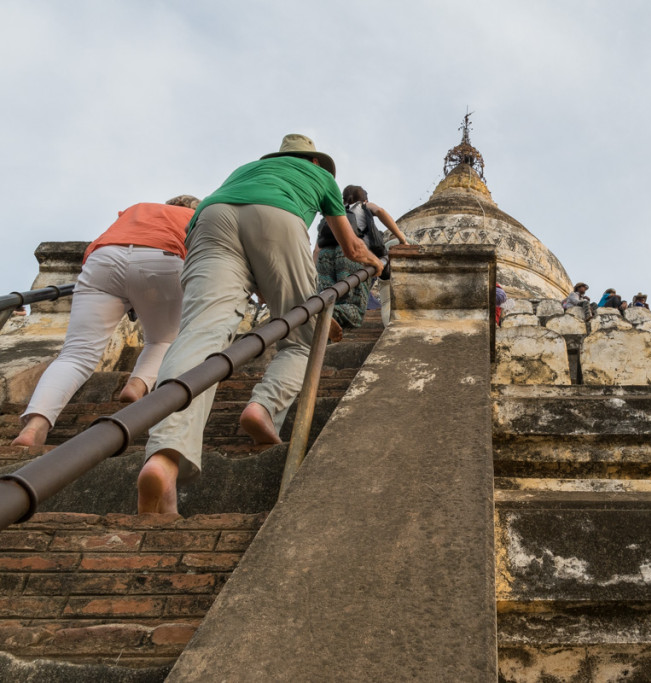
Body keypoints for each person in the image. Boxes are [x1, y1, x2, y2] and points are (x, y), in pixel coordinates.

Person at [137, 134, 382, 515]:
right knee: (304, 337)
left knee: (199, 336)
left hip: (210, 219)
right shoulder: (321, 177)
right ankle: (263, 408)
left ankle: (164, 457)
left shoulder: (246, 169)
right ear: (315, 161)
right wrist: (378, 266)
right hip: (277, 219)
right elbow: (351, 247)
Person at [12, 196, 199, 447]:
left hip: (105, 258)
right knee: (163, 340)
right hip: (165, 257)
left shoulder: (138, 208)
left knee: (76, 355)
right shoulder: (194, 216)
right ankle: (137, 384)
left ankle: (36, 425)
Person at [315, 185, 407, 339]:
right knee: (354, 310)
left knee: (328, 297)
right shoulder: (363, 206)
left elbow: (317, 249)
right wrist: (402, 239)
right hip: (351, 254)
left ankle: (316, 315)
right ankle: (321, 315)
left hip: (325, 257)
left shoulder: (334, 211)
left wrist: (317, 270)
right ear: (364, 199)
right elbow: (380, 212)